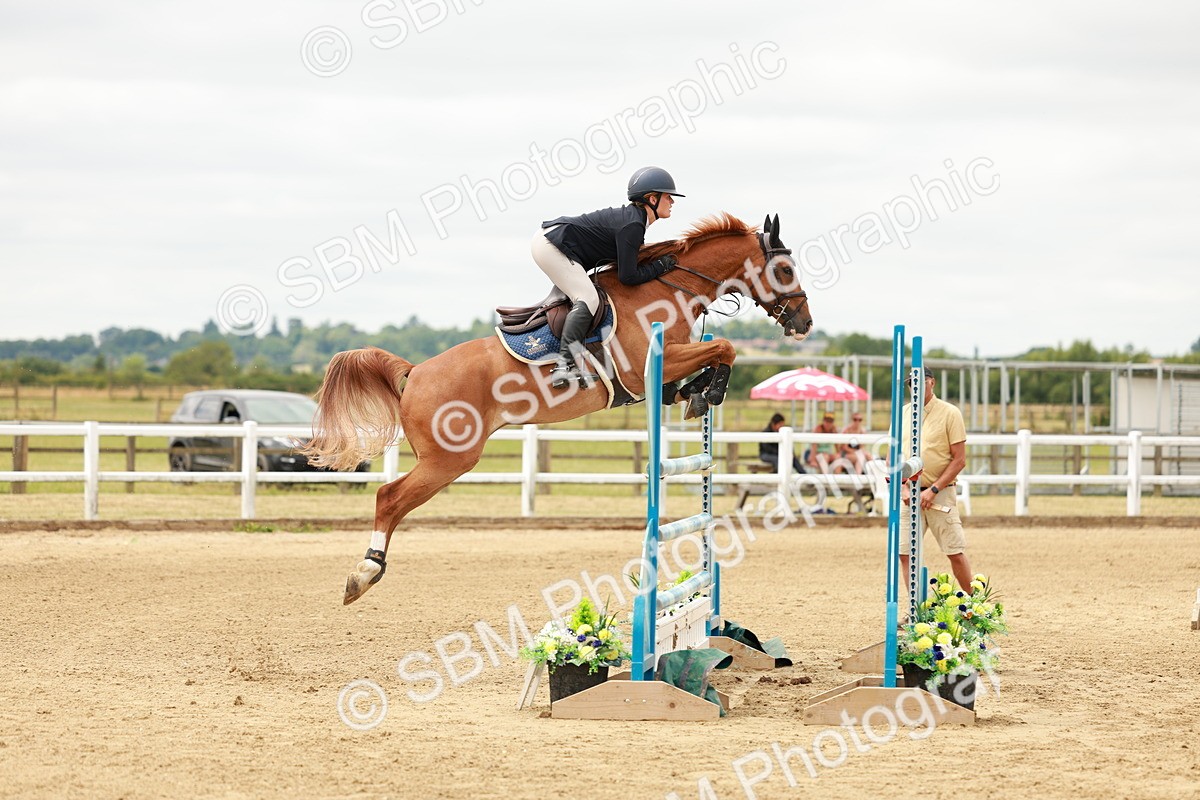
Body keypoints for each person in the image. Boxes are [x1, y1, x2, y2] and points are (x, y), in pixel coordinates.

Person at [533, 166, 684, 389]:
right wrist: (660, 267)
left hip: (555, 243)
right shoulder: (633, 224)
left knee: (589, 296)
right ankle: (563, 367)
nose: (672, 201)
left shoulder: (635, 222)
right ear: (652, 198)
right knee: (588, 298)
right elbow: (628, 276)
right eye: (668, 196)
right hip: (551, 244)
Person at [899, 366, 975, 593]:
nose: (916, 387)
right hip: (909, 494)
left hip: (939, 493)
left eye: (921, 381)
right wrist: (902, 486)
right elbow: (893, 456)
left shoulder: (950, 413)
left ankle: (973, 605)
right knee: (905, 553)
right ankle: (916, 609)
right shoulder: (902, 413)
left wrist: (933, 489)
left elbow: (959, 459)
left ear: (932, 382)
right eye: (912, 383)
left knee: (954, 551)